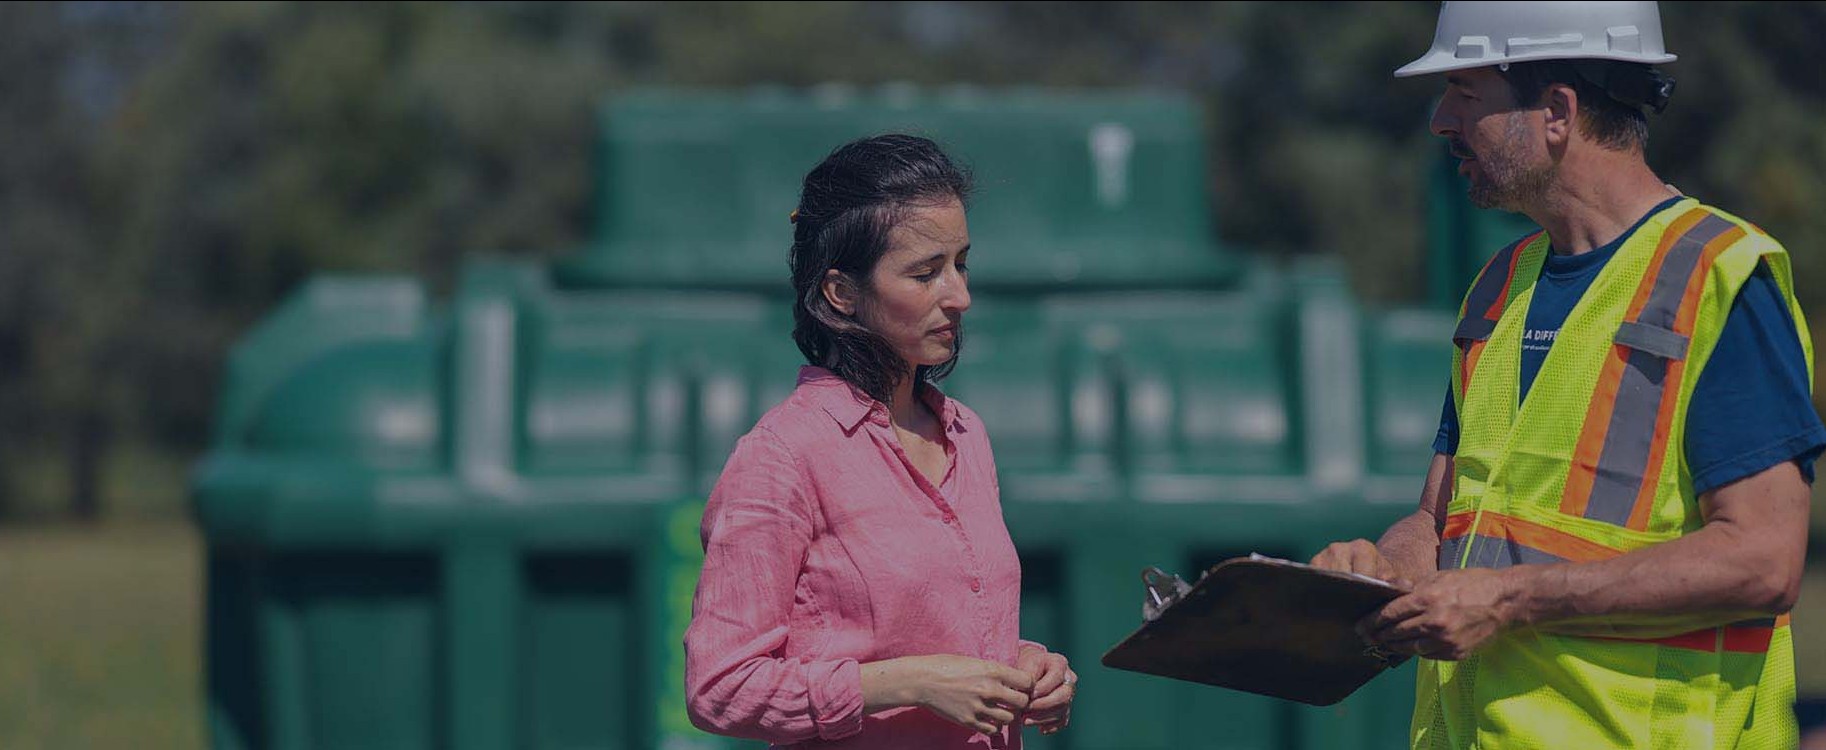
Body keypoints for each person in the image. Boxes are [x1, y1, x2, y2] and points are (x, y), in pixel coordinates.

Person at [1310, 2, 1819, 748]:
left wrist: (1510, 600)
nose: (1440, 121)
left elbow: (1764, 558)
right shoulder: (1498, 287)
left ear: (1555, 111)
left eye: (1465, 91)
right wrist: (1382, 569)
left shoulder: (1719, 277)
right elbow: (1439, 520)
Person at [684, 134, 1076, 748]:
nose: (960, 296)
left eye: (961, 263)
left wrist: (1029, 666)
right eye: (925, 274)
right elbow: (720, 687)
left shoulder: (967, 435)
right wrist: (909, 683)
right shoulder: (782, 455)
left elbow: (940, 631)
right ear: (843, 294)